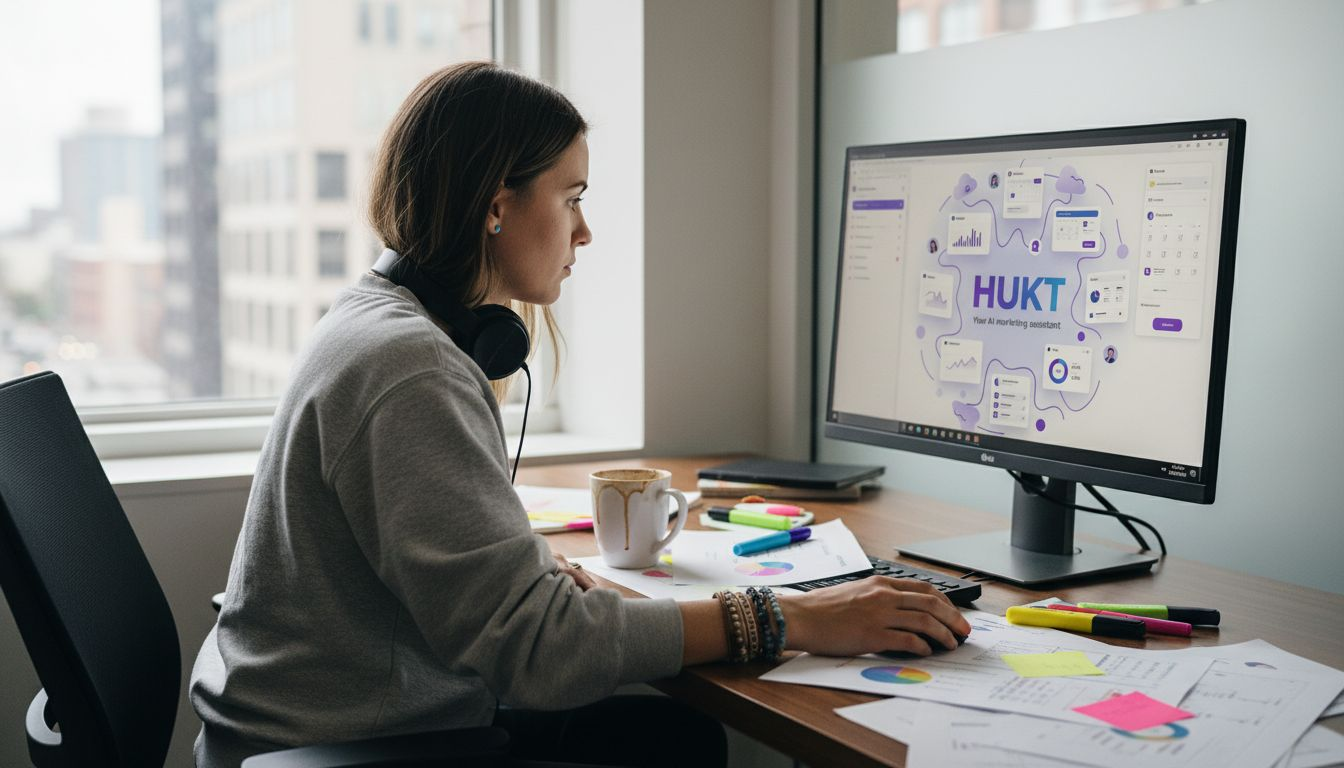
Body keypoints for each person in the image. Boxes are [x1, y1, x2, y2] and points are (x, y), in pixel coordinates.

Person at [189, 62, 970, 768]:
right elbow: (541, 653)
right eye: (571, 200)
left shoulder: (380, 320)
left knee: (680, 739)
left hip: (343, 725)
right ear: (497, 207)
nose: (584, 232)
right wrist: (791, 618)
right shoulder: (412, 369)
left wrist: (515, 573)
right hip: (342, 746)